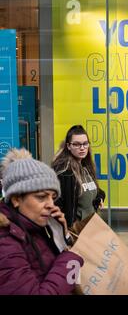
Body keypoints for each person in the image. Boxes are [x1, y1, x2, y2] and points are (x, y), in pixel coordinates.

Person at [0, 148, 84, 295]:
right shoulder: (6, 243)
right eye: (41, 197)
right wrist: (71, 262)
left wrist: (61, 233)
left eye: (53, 197)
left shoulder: (36, 227)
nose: (51, 204)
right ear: (16, 199)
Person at [52, 125, 105, 227]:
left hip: (91, 226)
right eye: (76, 144)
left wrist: (100, 197)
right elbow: (57, 206)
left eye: (85, 144)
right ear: (68, 146)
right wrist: (66, 231)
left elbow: (94, 190)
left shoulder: (86, 167)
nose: (82, 148)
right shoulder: (65, 172)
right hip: (76, 232)